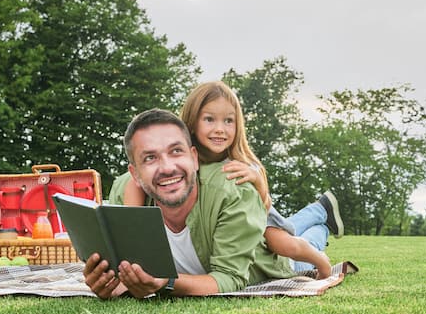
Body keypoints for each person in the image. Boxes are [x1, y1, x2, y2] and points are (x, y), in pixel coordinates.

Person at [108, 81, 343, 279]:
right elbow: (135, 182)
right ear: (192, 121)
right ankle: (320, 211)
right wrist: (132, 237)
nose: (220, 129)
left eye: (228, 121)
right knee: (291, 234)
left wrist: (259, 185)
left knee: (287, 246)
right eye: (209, 120)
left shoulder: (240, 163)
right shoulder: (176, 158)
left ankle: (320, 245)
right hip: (229, 217)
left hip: (258, 217)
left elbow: (263, 208)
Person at [84, 108, 295, 299]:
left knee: (306, 240)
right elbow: (125, 275)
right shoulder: (124, 194)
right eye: (150, 158)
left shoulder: (234, 191)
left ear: (194, 158)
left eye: (176, 151)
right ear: (135, 174)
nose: (167, 168)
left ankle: (318, 212)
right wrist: (110, 284)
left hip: (273, 258)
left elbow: (230, 278)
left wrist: (167, 282)